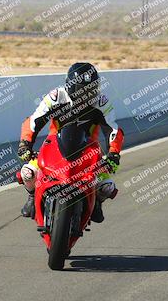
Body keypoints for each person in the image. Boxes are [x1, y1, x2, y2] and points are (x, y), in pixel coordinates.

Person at [17, 62, 124, 222]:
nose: (90, 93)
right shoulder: (55, 97)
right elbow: (33, 121)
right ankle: (32, 195)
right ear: (72, 87)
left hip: (89, 152)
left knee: (108, 187)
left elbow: (113, 130)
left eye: (93, 88)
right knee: (27, 172)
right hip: (53, 146)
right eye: (85, 90)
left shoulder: (101, 102)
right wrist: (25, 144)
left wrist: (113, 154)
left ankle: (96, 202)